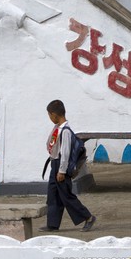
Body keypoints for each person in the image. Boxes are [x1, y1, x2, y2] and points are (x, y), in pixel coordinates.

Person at [39, 99, 96, 232]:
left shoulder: (65, 131)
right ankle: (52, 224)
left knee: (66, 196)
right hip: (54, 164)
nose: (49, 118)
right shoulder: (57, 128)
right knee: (53, 195)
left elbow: (65, 153)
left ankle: (88, 217)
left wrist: (62, 171)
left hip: (60, 166)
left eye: (49, 115)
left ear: (54, 115)